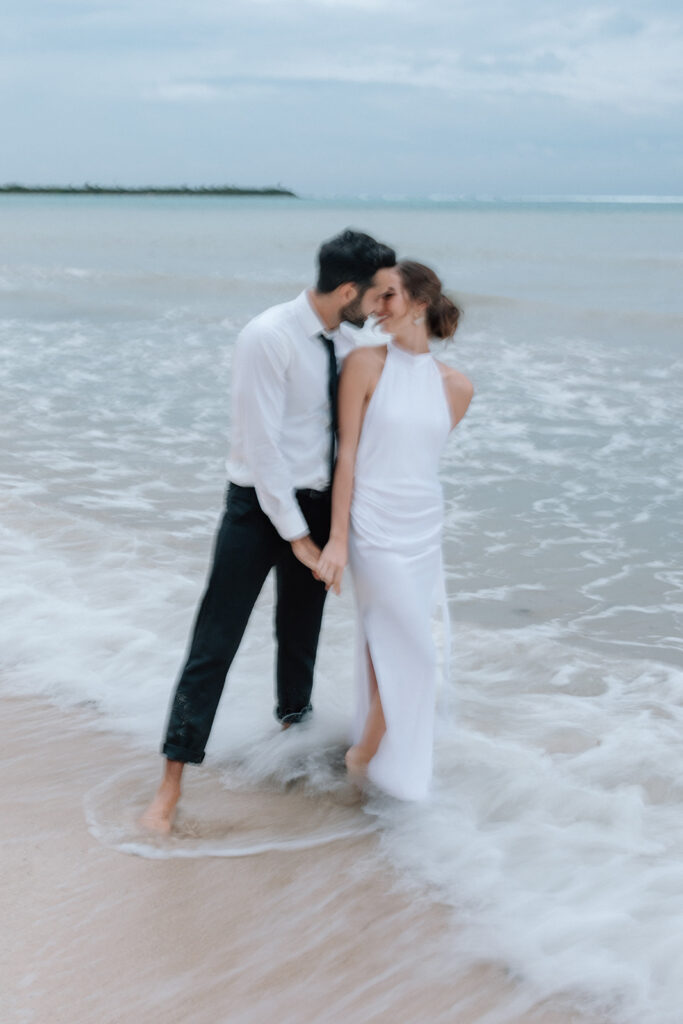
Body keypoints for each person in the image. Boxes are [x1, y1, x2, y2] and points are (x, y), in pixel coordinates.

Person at [141, 230, 397, 833]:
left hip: (317, 506)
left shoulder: (351, 341)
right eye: (376, 294)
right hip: (257, 509)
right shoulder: (268, 336)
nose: (379, 306)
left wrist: (333, 526)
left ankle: (292, 752)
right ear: (348, 289)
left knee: (300, 635)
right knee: (215, 642)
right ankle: (169, 787)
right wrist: (297, 536)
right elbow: (262, 448)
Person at [316, 261, 473, 800]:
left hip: (423, 528)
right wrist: (337, 539)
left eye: (388, 297)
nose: (376, 308)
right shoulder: (365, 364)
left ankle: (374, 759)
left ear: (421, 304)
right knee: (417, 653)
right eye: (374, 298)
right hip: (372, 527)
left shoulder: (458, 388)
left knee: (390, 644)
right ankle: (364, 758)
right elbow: (349, 457)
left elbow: (419, 460)